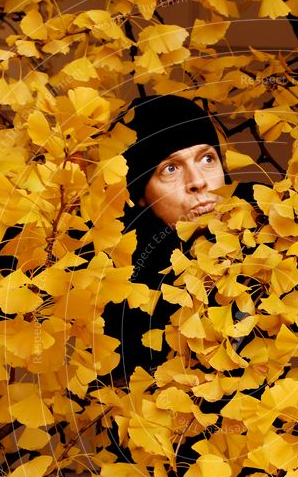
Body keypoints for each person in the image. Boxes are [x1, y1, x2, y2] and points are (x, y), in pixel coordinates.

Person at [101, 93, 257, 385]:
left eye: (207, 158)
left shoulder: (277, 231)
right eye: (170, 169)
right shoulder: (125, 300)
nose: (197, 181)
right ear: (141, 197)